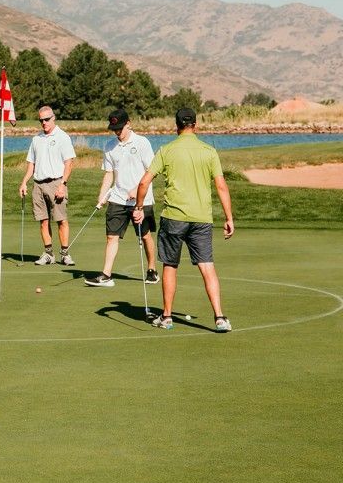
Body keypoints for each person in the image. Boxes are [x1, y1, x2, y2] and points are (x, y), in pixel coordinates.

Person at [132, 108, 235, 332]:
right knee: (207, 266)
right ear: (195, 125)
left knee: (170, 265)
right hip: (202, 219)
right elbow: (221, 186)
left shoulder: (166, 150)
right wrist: (229, 218)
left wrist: (139, 207)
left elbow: (143, 183)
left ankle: (167, 317)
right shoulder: (209, 151)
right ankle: (219, 318)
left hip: (174, 218)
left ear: (176, 125)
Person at [85, 109, 159, 287]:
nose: (117, 132)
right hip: (118, 198)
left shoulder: (142, 143)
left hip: (141, 199)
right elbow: (109, 174)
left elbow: (152, 171)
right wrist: (102, 194)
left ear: (129, 124)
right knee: (111, 237)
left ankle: (152, 270)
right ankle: (106, 274)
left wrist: (136, 188)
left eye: (120, 128)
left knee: (145, 235)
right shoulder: (110, 146)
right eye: (114, 128)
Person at [18, 105, 76, 265]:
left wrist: (63, 184)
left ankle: (65, 254)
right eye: (41, 120)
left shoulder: (63, 137)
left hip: (56, 182)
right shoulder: (36, 139)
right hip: (38, 184)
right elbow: (31, 164)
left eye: (47, 119)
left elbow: (69, 163)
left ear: (53, 118)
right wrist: (24, 182)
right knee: (43, 220)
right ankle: (48, 253)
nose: (44, 123)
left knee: (61, 219)